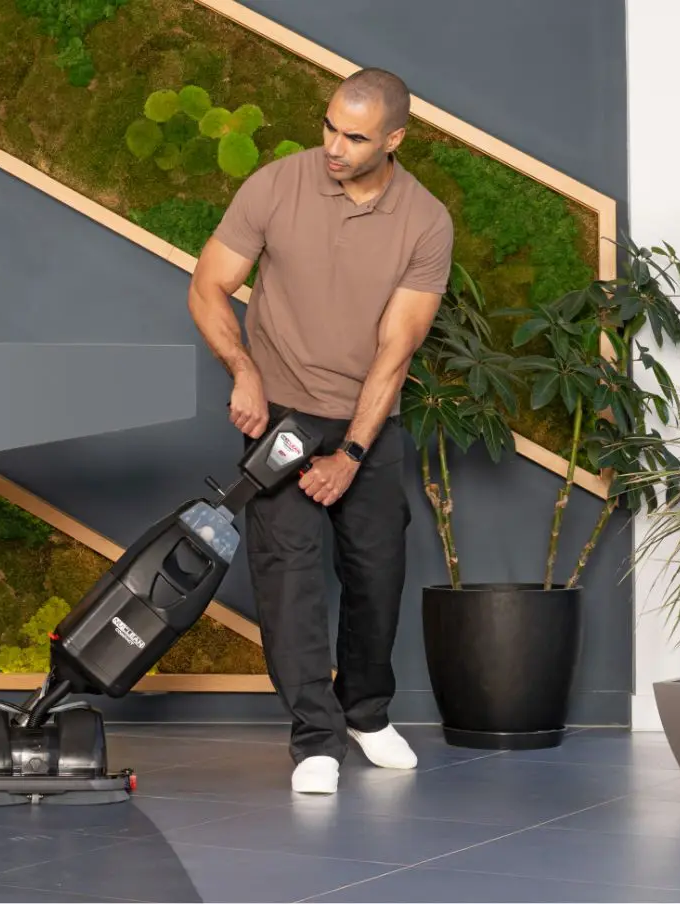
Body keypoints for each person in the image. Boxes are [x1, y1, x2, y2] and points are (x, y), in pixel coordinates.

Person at [187, 67, 453, 794]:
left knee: (376, 573)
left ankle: (364, 712)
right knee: (289, 575)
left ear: (394, 140)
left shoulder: (425, 221)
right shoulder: (276, 185)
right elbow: (209, 284)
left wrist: (352, 454)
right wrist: (243, 368)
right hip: (280, 414)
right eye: (329, 126)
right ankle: (315, 737)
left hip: (368, 418)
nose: (334, 146)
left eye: (355, 137)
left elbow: (396, 351)